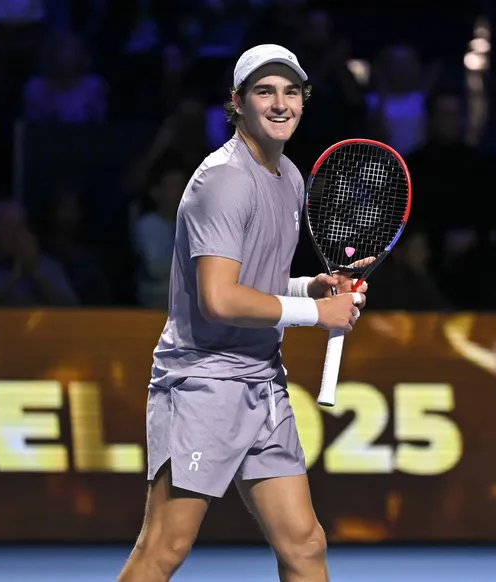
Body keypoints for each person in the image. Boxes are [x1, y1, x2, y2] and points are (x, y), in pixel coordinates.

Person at [116, 44, 369, 582]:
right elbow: (220, 298)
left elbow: (256, 281)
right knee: (164, 548)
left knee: (304, 544)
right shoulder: (223, 181)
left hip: (262, 383)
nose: (280, 104)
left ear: (303, 100)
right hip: (204, 383)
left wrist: (311, 287)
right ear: (238, 103)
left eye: (290, 92)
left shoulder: (291, 178)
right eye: (264, 91)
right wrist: (317, 314)